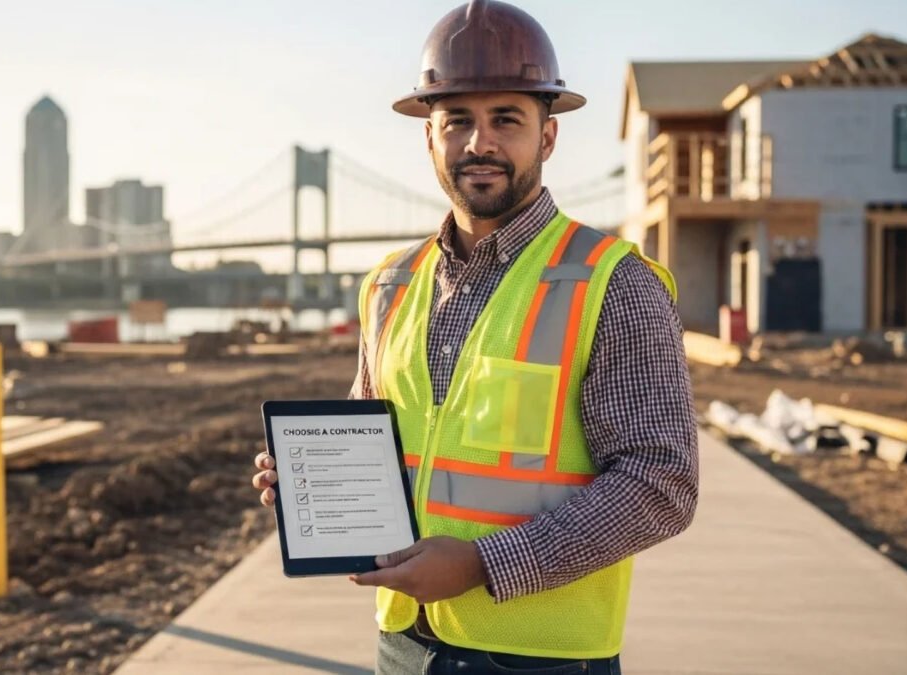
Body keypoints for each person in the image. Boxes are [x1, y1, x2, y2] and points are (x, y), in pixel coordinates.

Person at [253, 1, 698, 672]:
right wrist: (311, 485)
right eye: (456, 120)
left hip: (541, 657)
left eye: (506, 120)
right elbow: (378, 441)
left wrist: (485, 564)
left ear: (547, 137)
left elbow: (661, 482)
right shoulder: (389, 284)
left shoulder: (614, 283)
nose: (479, 143)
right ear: (427, 137)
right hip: (403, 643)